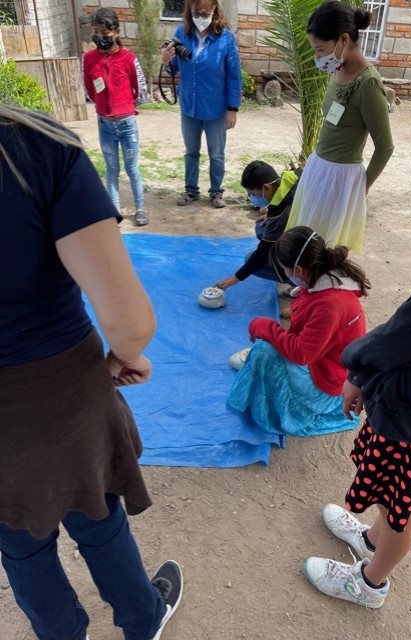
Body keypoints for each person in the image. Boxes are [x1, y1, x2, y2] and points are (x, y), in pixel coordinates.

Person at [0, 104, 182, 639]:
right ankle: (141, 618)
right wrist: (125, 357)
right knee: (98, 515)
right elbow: (130, 323)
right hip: (62, 389)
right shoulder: (36, 147)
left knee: (18, 541)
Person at [303, 73, 411, 610]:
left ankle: (371, 582)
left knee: (402, 504)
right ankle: (372, 537)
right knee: (392, 491)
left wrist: (359, 366)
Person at [227, 226, 370, 437]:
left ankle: (280, 413)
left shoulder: (329, 304)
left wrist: (263, 326)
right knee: (267, 347)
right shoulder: (323, 281)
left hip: (326, 383)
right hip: (327, 367)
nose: (285, 274)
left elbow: (302, 354)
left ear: (300, 270)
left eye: (285, 269)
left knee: (263, 352)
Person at [286, 1, 394, 253]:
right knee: (308, 237)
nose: (317, 58)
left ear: (343, 40)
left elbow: (385, 147)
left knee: (325, 244)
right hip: (319, 167)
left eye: (320, 49)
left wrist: (362, 186)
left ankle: (319, 288)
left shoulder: (368, 84)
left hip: (341, 178)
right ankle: (306, 285)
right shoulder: (337, 68)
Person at [160, 0, 242, 209]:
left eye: (205, 13)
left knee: (216, 154)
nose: (200, 17)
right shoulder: (181, 32)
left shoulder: (226, 38)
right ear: (189, 11)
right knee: (191, 152)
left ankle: (216, 192)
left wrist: (232, 109)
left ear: (215, 10)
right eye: (196, 12)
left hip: (215, 108)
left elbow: (234, 76)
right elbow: (174, 69)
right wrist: (166, 60)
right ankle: (191, 190)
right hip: (190, 106)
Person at [83, 7, 149, 227]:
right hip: (105, 124)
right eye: (97, 33)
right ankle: (114, 212)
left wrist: (125, 108)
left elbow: (140, 91)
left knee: (132, 168)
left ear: (116, 32)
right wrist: (103, 106)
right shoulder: (89, 59)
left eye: (105, 33)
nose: (101, 38)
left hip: (127, 123)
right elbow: (89, 90)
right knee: (111, 169)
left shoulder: (129, 58)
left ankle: (140, 209)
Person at [214, 160, 302, 290]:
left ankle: (297, 283)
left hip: (303, 252)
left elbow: (262, 253)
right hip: (311, 231)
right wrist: (270, 215)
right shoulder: (295, 176)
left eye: (254, 194)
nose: (253, 197)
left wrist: (235, 278)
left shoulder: (279, 214)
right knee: (261, 227)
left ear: (266, 188)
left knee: (251, 259)